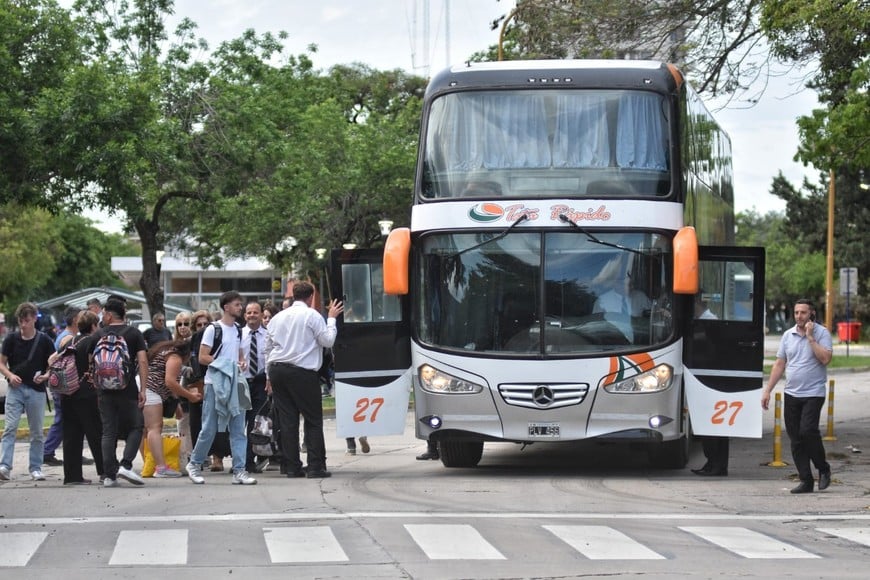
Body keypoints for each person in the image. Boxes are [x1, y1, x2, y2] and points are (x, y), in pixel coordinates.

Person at [265, 281, 343, 478]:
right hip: (302, 371)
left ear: (293, 295)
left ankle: (292, 466)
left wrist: (268, 376)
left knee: (288, 420)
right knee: (313, 419)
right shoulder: (312, 315)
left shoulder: (278, 318)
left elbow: (268, 348)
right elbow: (327, 340)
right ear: (311, 297)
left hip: (277, 369)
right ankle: (316, 466)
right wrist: (332, 319)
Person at [761, 299, 833, 494]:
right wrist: (767, 390)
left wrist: (810, 338)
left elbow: (825, 359)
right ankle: (806, 480)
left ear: (811, 314)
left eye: (803, 312)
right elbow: (779, 364)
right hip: (792, 393)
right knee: (795, 438)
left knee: (808, 431)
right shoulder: (787, 335)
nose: (799, 316)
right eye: (796, 313)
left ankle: (823, 468)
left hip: (813, 393)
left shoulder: (822, 333)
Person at [185, 290, 256, 485]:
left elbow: (240, 356)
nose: (240, 308)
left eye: (240, 304)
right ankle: (194, 464)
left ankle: (239, 470)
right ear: (226, 307)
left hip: (235, 383)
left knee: (238, 429)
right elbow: (202, 357)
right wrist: (227, 364)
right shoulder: (213, 329)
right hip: (214, 383)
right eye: (237, 305)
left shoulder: (238, 330)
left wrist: (241, 363)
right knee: (209, 428)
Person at [76, 297, 149, 488]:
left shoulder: (98, 334)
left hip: (104, 390)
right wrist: (143, 388)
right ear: (123, 314)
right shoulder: (134, 334)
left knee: (108, 431)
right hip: (127, 388)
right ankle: (125, 464)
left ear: (108, 315)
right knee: (136, 426)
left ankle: (109, 476)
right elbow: (142, 361)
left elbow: (91, 360)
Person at [0, 302, 56, 481]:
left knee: (37, 431)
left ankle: (36, 467)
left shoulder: (44, 340)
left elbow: (53, 365)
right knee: (10, 428)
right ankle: (4, 466)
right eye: (20, 321)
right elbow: (1, 363)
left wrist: (46, 376)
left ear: (33, 320)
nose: (23, 325)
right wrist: (10, 375)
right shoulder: (11, 339)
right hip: (15, 389)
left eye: (26, 320)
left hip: (36, 390)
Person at [54, 310, 104, 484]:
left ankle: (72, 476)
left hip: (67, 392)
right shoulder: (92, 341)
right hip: (86, 393)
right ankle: (105, 471)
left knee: (71, 435)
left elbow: (52, 359)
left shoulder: (71, 340)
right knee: (96, 433)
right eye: (97, 325)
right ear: (93, 326)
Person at [143, 339, 202, 477]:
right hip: (151, 391)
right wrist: (190, 396)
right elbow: (170, 381)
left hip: (149, 390)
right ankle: (161, 468)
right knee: (154, 428)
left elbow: (170, 384)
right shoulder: (175, 358)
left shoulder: (165, 352)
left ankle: (156, 465)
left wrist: (177, 404)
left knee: (151, 429)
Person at [689, 292, 729, 476]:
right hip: (706, 377)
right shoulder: (704, 320)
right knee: (710, 427)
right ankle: (713, 463)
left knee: (712, 427)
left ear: (697, 302)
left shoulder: (709, 321)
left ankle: (717, 464)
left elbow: (712, 350)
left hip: (710, 379)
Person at [44, 306, 82, 467]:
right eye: (81, 317)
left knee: (67, 421)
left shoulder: (67, 336)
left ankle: (68, 454)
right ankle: (47, 451)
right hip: (64, 386)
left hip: (63, 385)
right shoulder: (67, 338)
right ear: (75, 320)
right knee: (62, 420)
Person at [242, 300, 269, 473]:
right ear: (245, 315)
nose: (252, 315)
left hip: (260, 383)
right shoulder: (238, 334)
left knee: (254, 424)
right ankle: (239, 460)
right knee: (238, 424)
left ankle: (249, 461)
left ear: (261, 315)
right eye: (249, 312)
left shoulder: (268, 335)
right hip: (241, 383)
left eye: (255, 312)